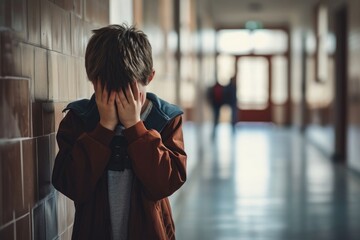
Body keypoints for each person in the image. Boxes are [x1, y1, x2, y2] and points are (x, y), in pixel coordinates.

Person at [52, 24, 187, 240]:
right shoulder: (79, 119)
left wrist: (135, 127)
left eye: (128, 92)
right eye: (107, 91)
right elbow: (71, 184)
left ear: (149, 78)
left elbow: (165, 183)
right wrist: (103, 128)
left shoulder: (166, 119)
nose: (117, 101)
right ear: (94, 81)